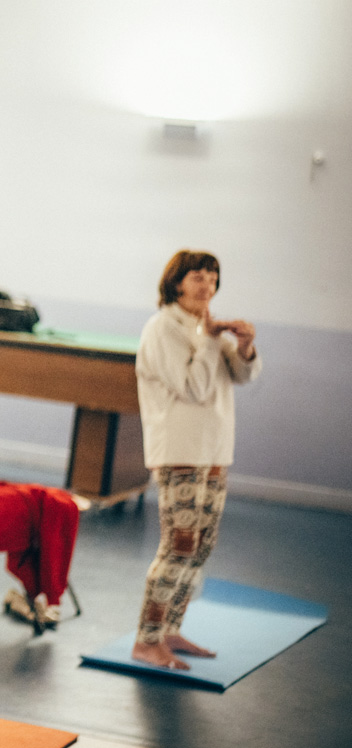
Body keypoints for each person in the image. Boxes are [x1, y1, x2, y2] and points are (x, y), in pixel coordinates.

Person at [131, 250, 261, 671]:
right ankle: (146, 641)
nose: (207, 285)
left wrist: (243, 346)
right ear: (177, 282)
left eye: (213, 277)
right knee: (178, 546)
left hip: (213, 450)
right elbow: (195, 387)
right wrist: (210, 338)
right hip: (180, 451)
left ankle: (170, 629)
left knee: (201, 548)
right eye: (198, 277)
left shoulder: (206, 328)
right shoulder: (162, 327)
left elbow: (240, 376)